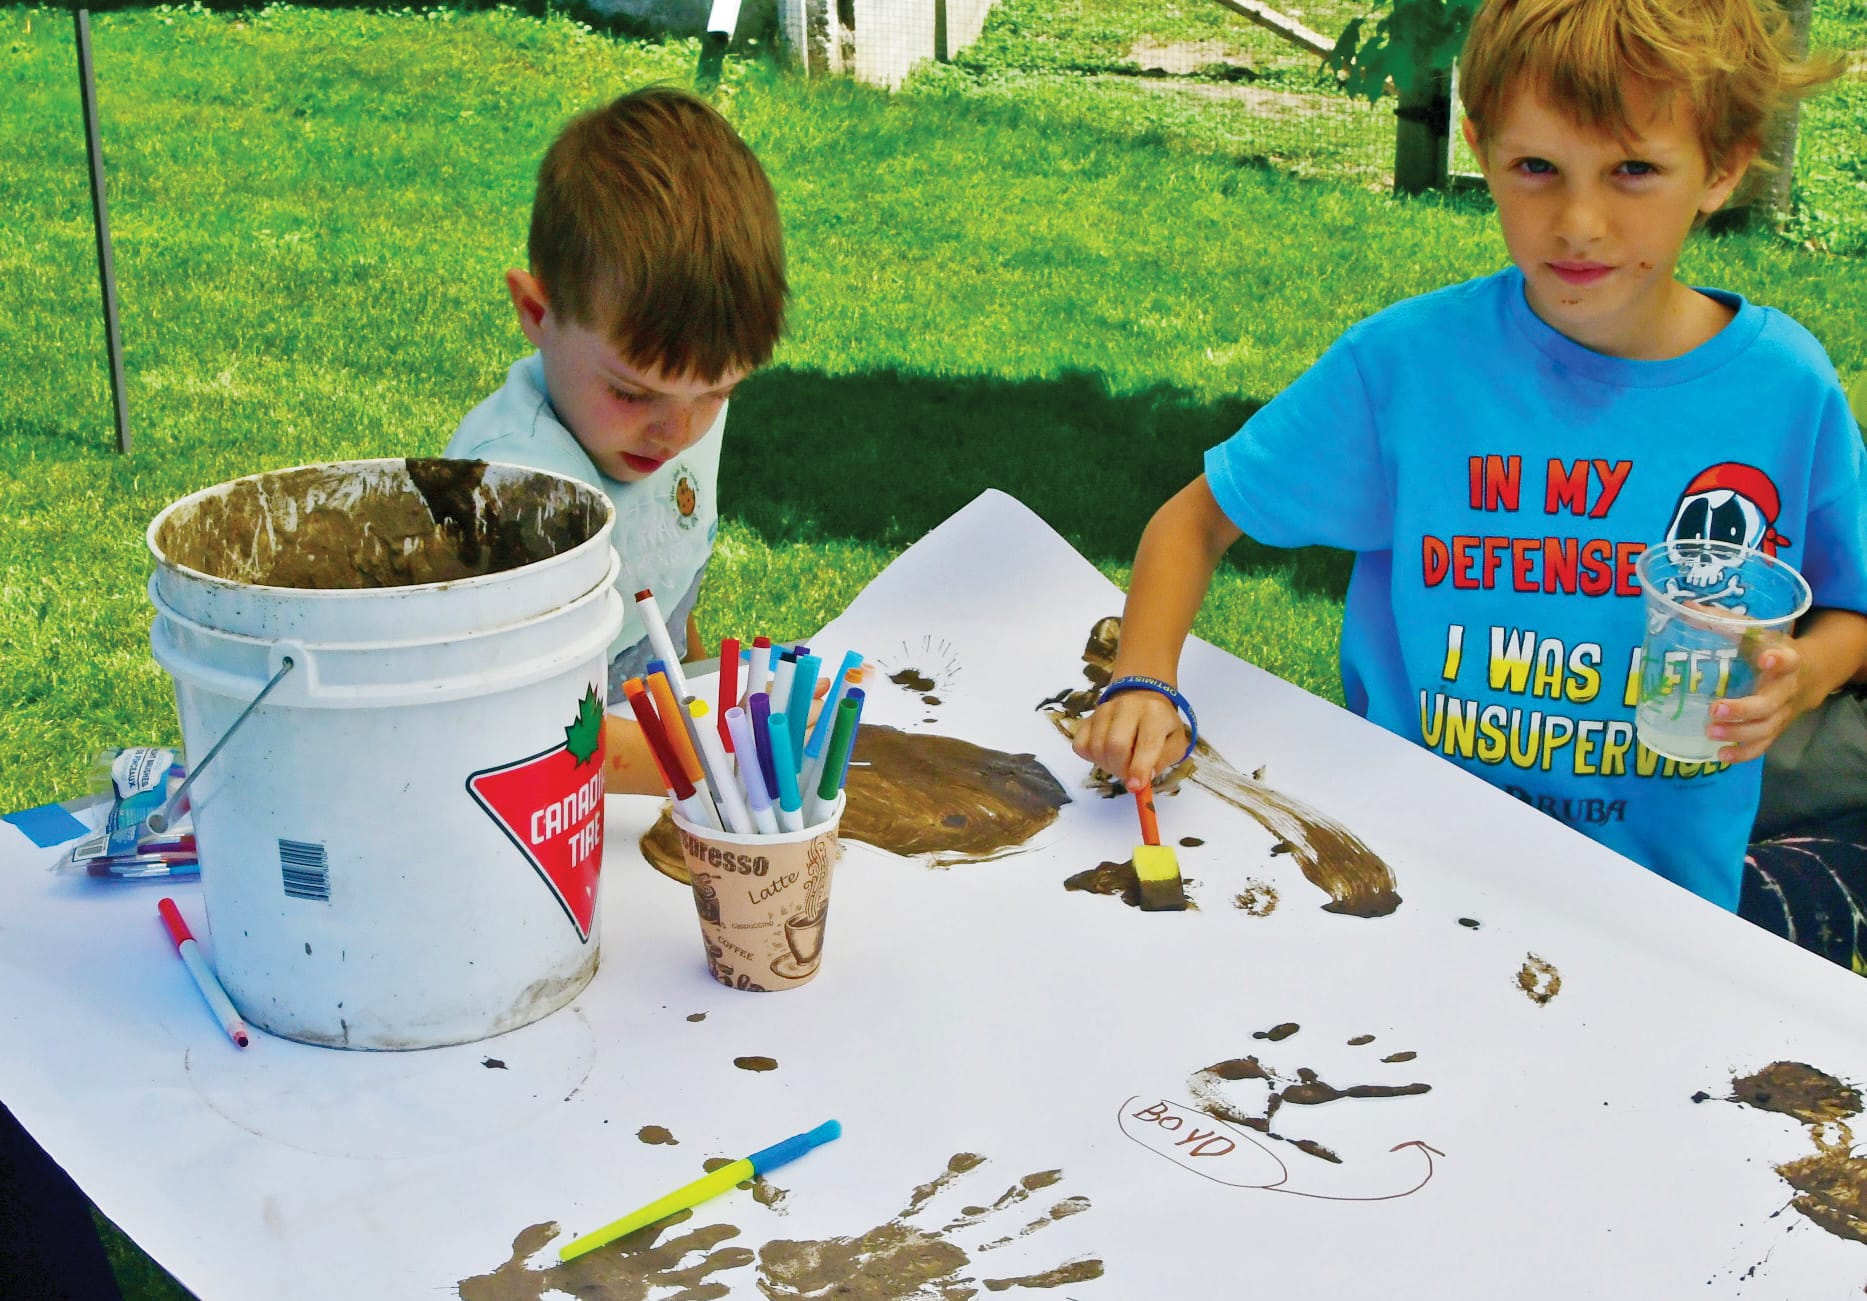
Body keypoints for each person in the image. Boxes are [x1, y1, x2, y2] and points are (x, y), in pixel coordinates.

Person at [1073, 0, 1867, 915]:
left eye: (1633, 171)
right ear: (1479, 147)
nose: (1577, 221)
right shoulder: (1406, 366)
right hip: (1411, 868)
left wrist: (1802, 677)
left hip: (1660, 903)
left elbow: (1850, 605)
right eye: (1535, 167)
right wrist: (1144, 678)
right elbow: (1195, 519)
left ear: (1721, 165)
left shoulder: (1782, 389)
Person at [445, 85, 787, 795]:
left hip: (640, 788)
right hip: (530, 809)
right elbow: (523, 726)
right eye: (633, 392)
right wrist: (715, 763)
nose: (678, 430)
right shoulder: (512, 489)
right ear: (537, 312)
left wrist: (703, 692)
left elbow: (666, 602)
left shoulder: (674, 412)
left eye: (718, 391)